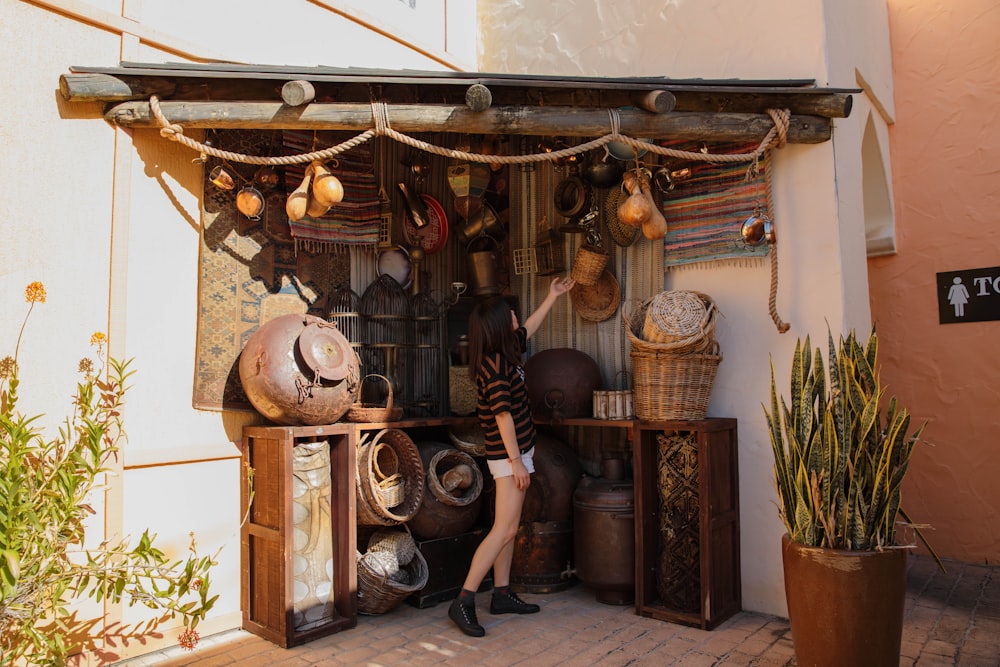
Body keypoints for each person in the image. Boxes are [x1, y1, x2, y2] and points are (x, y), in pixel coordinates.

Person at [448, 275, 576, 637]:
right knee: (503, 529)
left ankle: (502, 593)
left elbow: (530, 327)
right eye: (512, 315)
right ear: (501, 326)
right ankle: (464, 599)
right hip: (508, 456)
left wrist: (552, 295)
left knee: (508, 529)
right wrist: (517, 461)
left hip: (516, 452)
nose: (517, 318)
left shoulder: (507, 351)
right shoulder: (495, 368)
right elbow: (502, 416)